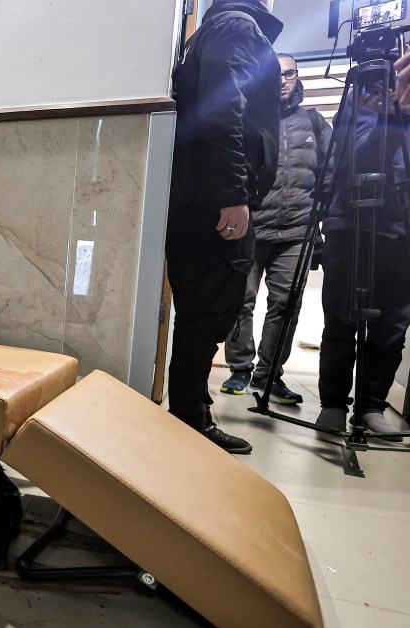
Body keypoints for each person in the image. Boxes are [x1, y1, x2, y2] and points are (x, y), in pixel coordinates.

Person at [167, 0, 283, 455]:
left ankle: (190, 414)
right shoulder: (236, 26)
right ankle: (190, 420)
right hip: (216, 201)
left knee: (200, 313)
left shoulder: (209, 31)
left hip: (198, 196)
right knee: (210, 311)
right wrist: (234, 193)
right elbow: (224, 109)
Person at [220, 55, 331, 404]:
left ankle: (269, 376)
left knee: (286, 305)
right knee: (241, 301)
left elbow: (329, 176)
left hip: (297, 233)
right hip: (251, 230)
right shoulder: (249, 121)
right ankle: (239, 369)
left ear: (297, 78)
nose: (283, 80)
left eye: (289, 74)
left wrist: (321, 221)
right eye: (276, 74)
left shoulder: (314, 122)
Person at [314, 81, 410, 441]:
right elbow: (348, 154)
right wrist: (389, 117)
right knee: (341, 316)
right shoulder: (366, 88)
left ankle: (372, 405)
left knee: (393, 324)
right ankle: (334, 403)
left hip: (404, 227)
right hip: (351, 221)